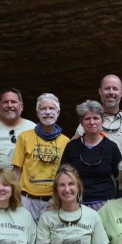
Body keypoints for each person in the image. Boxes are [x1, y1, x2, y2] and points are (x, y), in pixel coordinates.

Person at [12, 93, 70, 222]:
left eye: (51, 108)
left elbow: (68, 174)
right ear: (37, 113)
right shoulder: (24, 137)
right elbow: (16, 171)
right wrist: (14, 199)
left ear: (58, 112)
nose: (47, 112)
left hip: (53, 201)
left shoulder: (66, 141)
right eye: (43, 109)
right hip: (26, 200)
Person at [60, 100, 122, 211]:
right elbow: (61, 175)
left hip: (106, 205)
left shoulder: (111, 147)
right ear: (81, 122)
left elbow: (120, 178)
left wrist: (118, 203)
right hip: (77, 204)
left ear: (102, 121)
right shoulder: (71, 147)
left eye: (96, 118)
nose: (92, 122)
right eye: (87, 119)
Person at [75, 74, 122, 160]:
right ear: (100, 92)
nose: (111, 92)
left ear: (121, 93)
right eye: (107, 88)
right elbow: (75, 152)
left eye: (115, 89)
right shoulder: (89, 122)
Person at [0, 87, 35, 171]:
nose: (9, 105)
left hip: (24, 183)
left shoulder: (33, 129)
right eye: (5, 102)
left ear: (21, 107)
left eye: (14, 102)